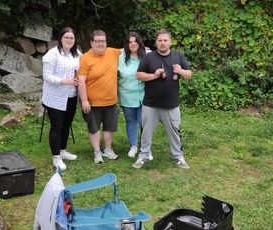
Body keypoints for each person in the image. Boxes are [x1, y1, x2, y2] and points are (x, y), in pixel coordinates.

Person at [132, 29, 192, 169]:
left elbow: (189, 74)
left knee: (175, 132)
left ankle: (178, 157)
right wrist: (154, 75)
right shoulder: (149, 57)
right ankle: (143, 156)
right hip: (151, 104)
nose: (163, 43)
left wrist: (181, 71)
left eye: (165, 40)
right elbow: (139, 75)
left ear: (170, 42)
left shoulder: (178, 56)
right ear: (156, 42)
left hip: (171, 105)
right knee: (146, 132)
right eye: (160, 40)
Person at [77, 30, 122, 164]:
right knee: (94, 128)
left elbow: (129, 49)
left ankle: (107, 149)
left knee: (109, 127)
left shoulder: (112, 52)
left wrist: (147, 50)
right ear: (92, 43)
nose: (100, 44)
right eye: (97, 41)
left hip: (110, 101)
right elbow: (81, 81)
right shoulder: (85, 58)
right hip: (92, 102)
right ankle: (97, 152)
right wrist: (84, 100)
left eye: (103, 41)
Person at [41, 27, 81, 171]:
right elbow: (47, 76)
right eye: (66, 37)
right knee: (57, 126)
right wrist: (65, 81)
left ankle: (63, 150)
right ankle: (56, 158)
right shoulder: (52, 55)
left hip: (71, 96)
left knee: (66, 124)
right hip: (55, 98)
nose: (69, 40)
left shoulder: (76, 54)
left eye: (72, 38)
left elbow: (86, 63)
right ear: (61, 39)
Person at [117, 32, 147, 158]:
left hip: (144, 96)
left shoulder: (146, 56)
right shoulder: (121, 57)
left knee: (144, 122)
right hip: (126, 96)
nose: (133, 44)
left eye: (135, 41)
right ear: (127, 45)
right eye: (130, 42)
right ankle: (133, 146)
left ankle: (146, 148)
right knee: (131, 121)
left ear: (139, 43)